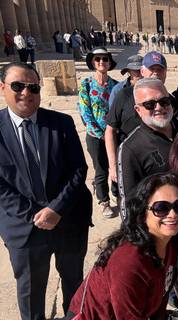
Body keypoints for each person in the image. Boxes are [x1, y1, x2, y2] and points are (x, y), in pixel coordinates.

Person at [0, 62, 92, 320]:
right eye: (18, 86)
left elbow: (78, 170)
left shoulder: (60, 123)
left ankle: (74, 319)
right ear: (3, 88)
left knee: (72, 275)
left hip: (67, 219)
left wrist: (56, 209)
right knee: (29, 280)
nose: (26, 92)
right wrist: (36, 215)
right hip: (23, 225)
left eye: (33, 87)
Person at [67, 173, 178, 320]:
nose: (172, 214)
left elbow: (162, 292)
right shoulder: (129, 262)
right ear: (142, 213)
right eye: (161, 208)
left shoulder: (167, 245)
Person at [117, 78, 178, 220]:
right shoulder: (131, 148)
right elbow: (128, 204)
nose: (159, 107)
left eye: (164, 101)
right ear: (138, 110)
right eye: (150, 104)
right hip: (162, 228)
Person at [105, 51, 169, 195]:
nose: (156, 73)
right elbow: (110, 131)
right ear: (142, 71)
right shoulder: (124, 96)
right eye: (152, 69)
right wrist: (113, 165)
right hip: (131, 162)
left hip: (159, 166)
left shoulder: (168, 102)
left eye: (160, 69)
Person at [78, 47, 118, 218]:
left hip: (114, 133)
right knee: (101, 168)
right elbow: (85, 112)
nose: (102, 62)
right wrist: (100, 133)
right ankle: (104, 201)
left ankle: (118, 194)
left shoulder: (116, 86)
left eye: (105, 59)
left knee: (116, 165)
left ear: (109, 62)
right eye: (98, 59)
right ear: (93, 63)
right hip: (95, 136)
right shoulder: (86, 84)